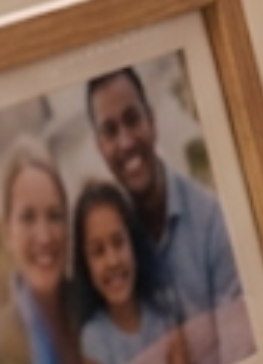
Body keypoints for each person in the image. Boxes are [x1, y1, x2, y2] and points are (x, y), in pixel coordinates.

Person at [85, 69, 252, 364]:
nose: (125, 142)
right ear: (100, 146)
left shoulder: (212, 221)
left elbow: (240, 350)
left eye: (132, 119)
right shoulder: (111, 236)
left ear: (152, 121)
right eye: (110, 131)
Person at [0, 139, 83, 364]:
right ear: (7, 231)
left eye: (54, 215)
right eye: (28, 217)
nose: (44, 236)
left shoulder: (95, 306)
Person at [71, 179, 193, 364]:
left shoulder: (164, 312)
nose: (112, 261)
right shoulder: (94, 341)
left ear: (133, 243)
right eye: (98, 251)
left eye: (118, 242)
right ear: (85, 264)